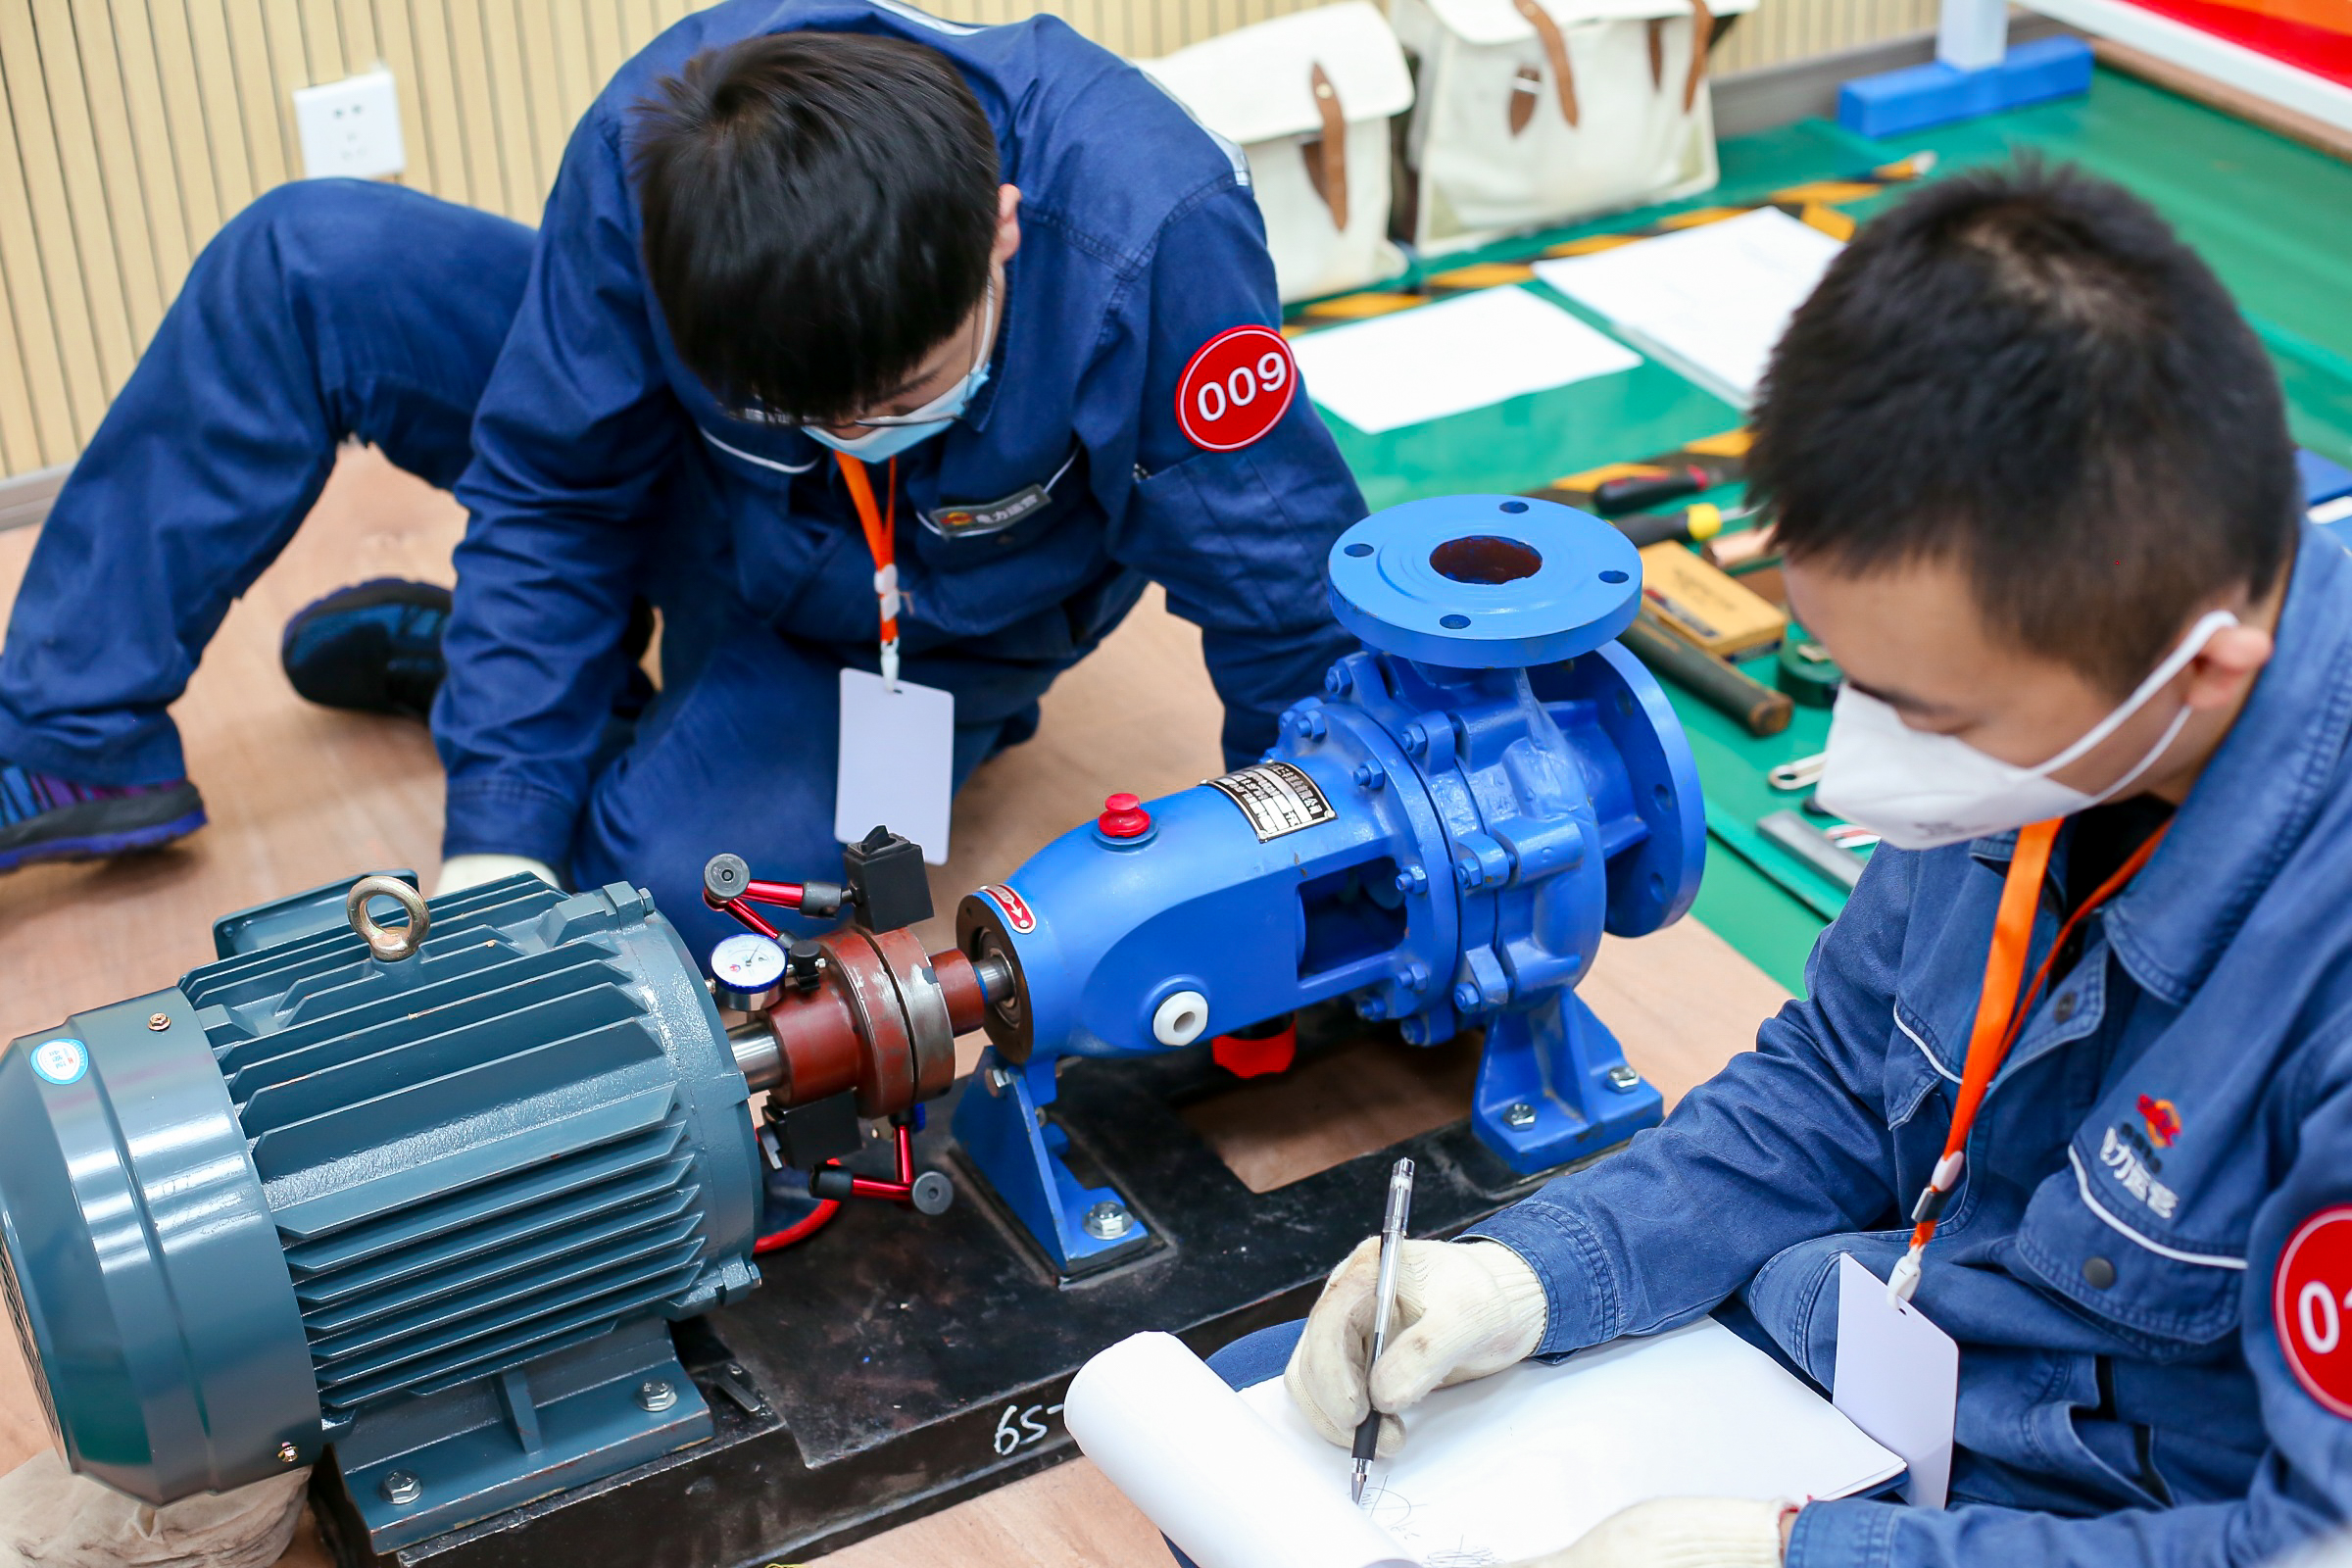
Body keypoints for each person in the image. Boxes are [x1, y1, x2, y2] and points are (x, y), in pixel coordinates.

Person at [1245, 161, 2352, 1567]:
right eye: (1849, 679)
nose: (1859, 772)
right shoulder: (2064, 669)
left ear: (2200, 670)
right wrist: (1531, 1272)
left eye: (1929, 715)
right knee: (1276, 1435)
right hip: (1887, 1340)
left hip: (2111, 1514)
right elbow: (1836, 1078)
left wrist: (1802, 1558)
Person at [0, 0, 1361, 957]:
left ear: (1001, 233)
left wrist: (1318, 896)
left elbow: (1281, 597)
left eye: (896, 399)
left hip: (914, 631)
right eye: (802, 407)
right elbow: (553, 486)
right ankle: (73, 738)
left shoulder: (1149, 234)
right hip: (703, 487)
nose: (850, 432)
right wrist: (494, 844)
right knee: (306, 259)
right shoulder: (662, 153)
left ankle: (523, 684)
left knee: (688, 902)